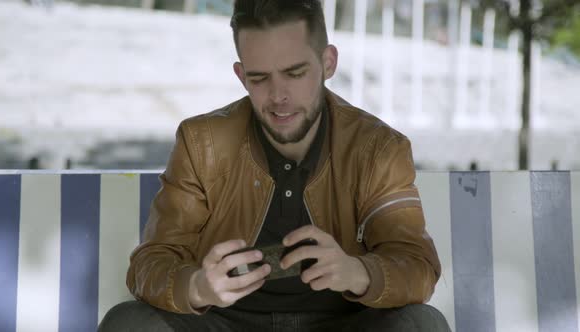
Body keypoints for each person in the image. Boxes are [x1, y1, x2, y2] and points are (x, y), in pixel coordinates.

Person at [99, 0, 449, 331]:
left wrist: (356, 272)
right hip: (224, 322)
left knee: (422, 324)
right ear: (240, 75)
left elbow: (417, 266)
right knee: (128, 323)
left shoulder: (377, 148)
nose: (278, 95)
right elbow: (150, 263)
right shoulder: (201, 142)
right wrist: (198, 287)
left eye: (295, 73)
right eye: (259, 78)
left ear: (328, 62)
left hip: (344, 323)